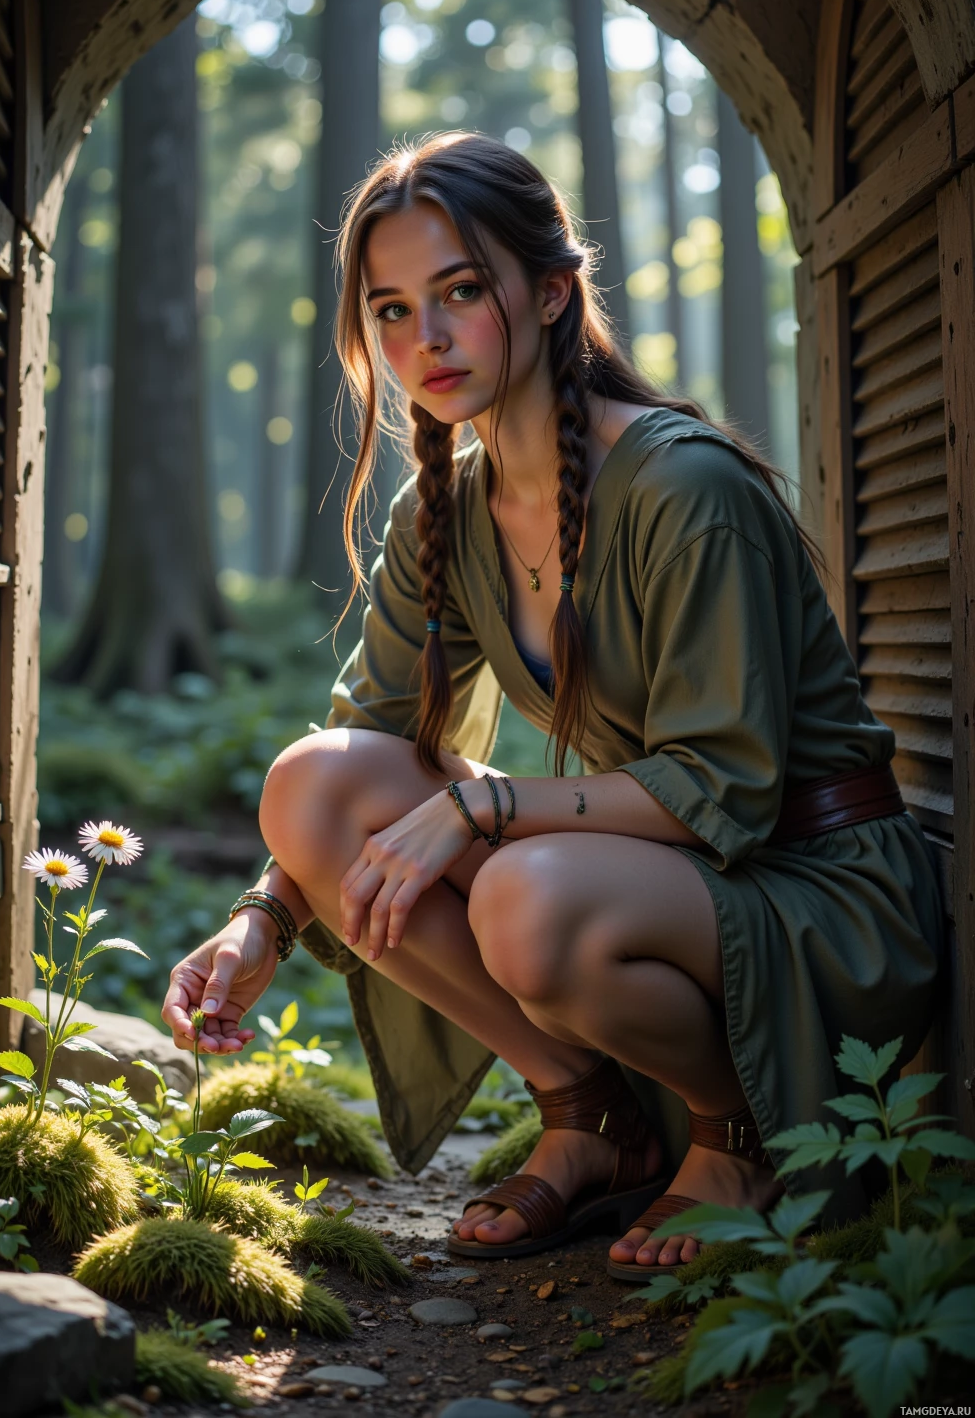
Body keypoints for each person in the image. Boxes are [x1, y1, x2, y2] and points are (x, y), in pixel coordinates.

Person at [163, 133, 944, 1280]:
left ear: (548, 290)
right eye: (389, 309)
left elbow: (730, 786)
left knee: (525, 896)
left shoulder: (685, 489)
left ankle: (738, 1141)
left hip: (813, 886)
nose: (422, 339)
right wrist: (264, 918)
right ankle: (593, 1120)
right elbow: (368, 747)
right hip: (668, 878)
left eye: (460, 292)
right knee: (313, 783)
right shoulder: (446, 508)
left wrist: (483, 814)